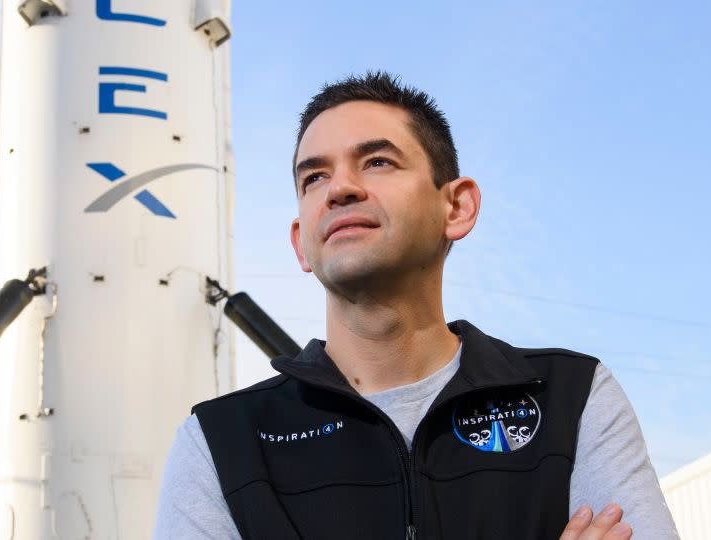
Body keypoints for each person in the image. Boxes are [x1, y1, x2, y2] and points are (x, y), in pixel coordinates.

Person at [154, 72, 678, 539]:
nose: (339, 188)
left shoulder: (574, 398)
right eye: (313, 177)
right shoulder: (222, 442)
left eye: (377, 161)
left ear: (457, 206)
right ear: (300, 242)